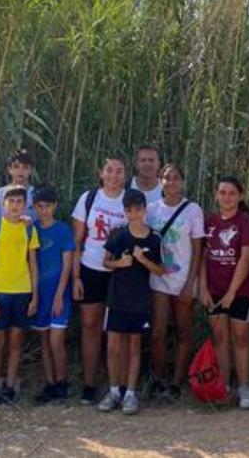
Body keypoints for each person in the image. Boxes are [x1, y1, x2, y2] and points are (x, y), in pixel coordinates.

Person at [97, 190, 164, 414]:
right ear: (124, 211)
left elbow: (160, 270)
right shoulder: (119, 235)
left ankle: (131, 394)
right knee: (113, 345)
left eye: (138, 209)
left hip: (140, 300)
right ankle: (114, 390)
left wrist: (142, 259)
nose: (134, 214)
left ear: (145, 209)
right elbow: (105, 262)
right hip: (117, 299)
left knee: (135, 346)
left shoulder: (154, 238)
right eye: (129, 210)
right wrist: (120, 263)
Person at [200, 176, 249, 410]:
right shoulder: (210, 222)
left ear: (240, 196)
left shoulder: (246, 222)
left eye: (232, 193)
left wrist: (232, 292)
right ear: (216, 195)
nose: (227, 197)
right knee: (220, 338)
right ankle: (223, 385)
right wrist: (203, 288)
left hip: (241, 291)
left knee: (241, 337)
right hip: (214, 290)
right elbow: (203, 258)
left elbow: (246, 258)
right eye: (222, 192)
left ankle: (244, 387)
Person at [71, 154, 129, 403]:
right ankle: (89, 384)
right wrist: (75, 277)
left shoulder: (130, 201)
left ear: (125, 175)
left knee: (119, 330)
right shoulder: (89, 199)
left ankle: (121, 384)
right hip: (91, 268)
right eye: (110, 170)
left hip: (120, 272)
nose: (114, 175)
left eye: (119, 171)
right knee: (90, 327)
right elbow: (76, 241)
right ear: (101, 173)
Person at [147, 164, 205, 400]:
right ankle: (159, 379)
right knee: (158, 332)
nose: (171, 182)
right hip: (159, 277)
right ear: (160, 181)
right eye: (166, 178)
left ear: (182, 181)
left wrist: (191, 282)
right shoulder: (152, 210)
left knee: (183, 331)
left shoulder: (193, 210)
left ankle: (177, 382)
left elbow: (198, 248)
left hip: (183, 278)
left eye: (175, 178)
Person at [0, 185, 40, 403]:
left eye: (19, 202)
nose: (15, 206)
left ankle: (9, 386)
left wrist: (35, 296)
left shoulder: (29, 230)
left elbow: (33, 265)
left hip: (22, 292)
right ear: (3, 204)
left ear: (25, 205)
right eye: (11, 201)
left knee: (16, 342)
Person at [30, 186, 75, 403]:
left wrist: (59, 295)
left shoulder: (63, 230)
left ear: (55, 206)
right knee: (44, 340)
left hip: (59, 293)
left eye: (48, 206)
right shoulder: (32, 230)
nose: (44, 210)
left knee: (56, 340)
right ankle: (49, 383)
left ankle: (62, 381)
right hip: (39, 294)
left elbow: (66, 266)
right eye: (39, 206)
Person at [0, 149, 35, 220]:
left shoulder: (36, 194)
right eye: (16, 167)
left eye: (25, 167)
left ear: (31, 170)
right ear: (9, 169)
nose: (20, 171)